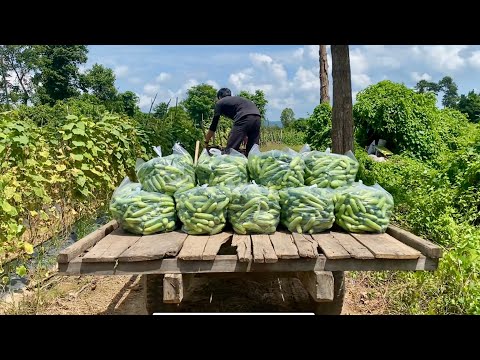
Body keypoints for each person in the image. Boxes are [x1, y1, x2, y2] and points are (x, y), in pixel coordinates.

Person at [204, 88, 261, 155]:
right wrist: (244, 134)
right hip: (257, 116)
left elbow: (213, 125)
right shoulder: (236, 101)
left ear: (219, 97)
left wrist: (206, 141)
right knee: (252, 151)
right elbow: (245, 121)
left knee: (230, 150)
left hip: (244, 117)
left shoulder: (220, 102)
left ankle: (227, 164)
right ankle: (252, 163)